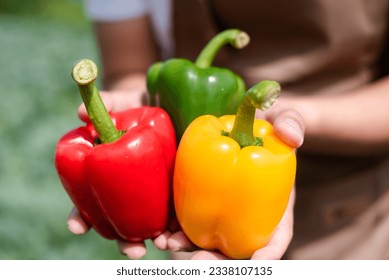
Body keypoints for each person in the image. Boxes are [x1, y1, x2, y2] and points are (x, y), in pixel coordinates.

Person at [67, 0, 389, 259]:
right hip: (190, 187)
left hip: (354, 211)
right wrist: (137, 135)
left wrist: (298, 119)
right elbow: (129, 67)